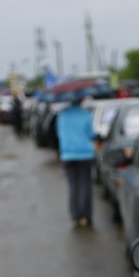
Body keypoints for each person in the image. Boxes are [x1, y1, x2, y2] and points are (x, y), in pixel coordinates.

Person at [55, 91, 97, 228]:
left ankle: (75, 216)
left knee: (73, 186)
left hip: (67, 156)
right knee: (85, 185)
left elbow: (58, 133)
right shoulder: (85, 114)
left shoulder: (62, 115)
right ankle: (86, 216)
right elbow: (91, 134)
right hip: (85, 155)